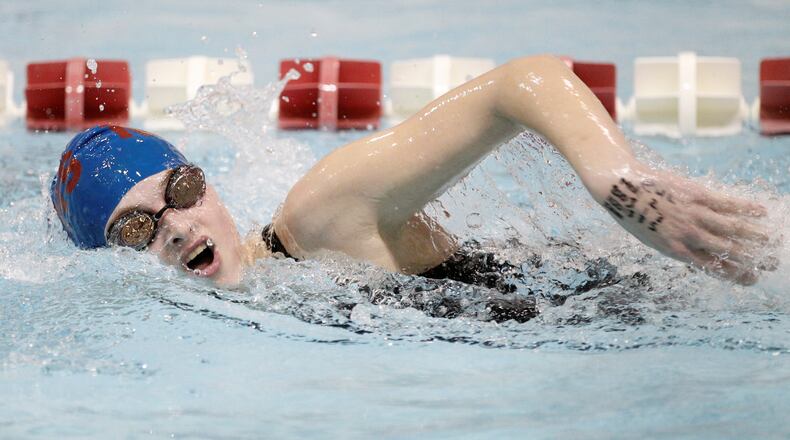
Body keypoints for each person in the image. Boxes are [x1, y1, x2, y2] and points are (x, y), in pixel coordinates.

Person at [51, 55, 773, 292]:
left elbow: (522, 82)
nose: (177, 229)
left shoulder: (319, 218)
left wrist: (620, 184)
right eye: (139, 227)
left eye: (179, 193)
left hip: (663, 286)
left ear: (207, 184)